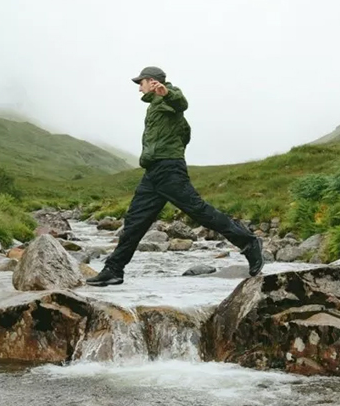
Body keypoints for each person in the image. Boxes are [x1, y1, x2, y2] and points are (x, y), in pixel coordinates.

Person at [86, 66, 265, 286]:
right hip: (153, 172)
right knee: (134, 221)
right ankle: (114, 270)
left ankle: (249, 243)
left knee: (199, 211)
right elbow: (185, 133)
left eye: (140, 83)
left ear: (152, 82)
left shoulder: (167, 98)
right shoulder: (154, 106)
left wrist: (166, 94)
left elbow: (182, 103)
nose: (139, 88)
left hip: (169, 169)